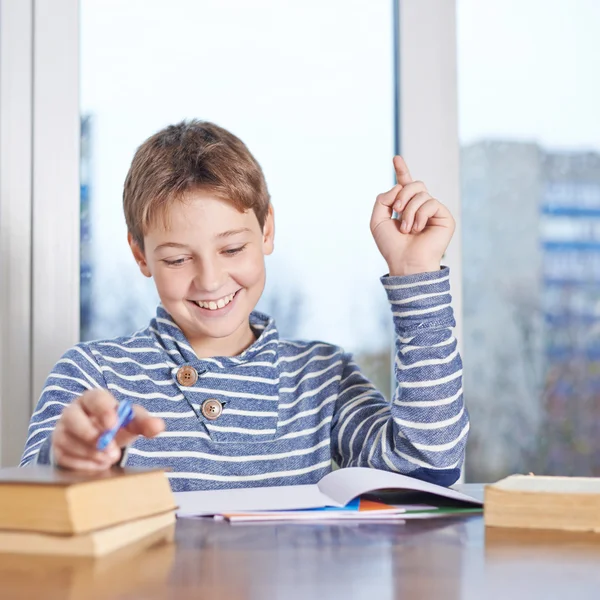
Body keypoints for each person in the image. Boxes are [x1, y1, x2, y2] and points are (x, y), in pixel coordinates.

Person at [20, 120, 469, 491]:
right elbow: (33, 493)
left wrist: (417, 277)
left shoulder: (322, 377)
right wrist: (69, 455)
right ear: (141, 255)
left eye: (232, 249)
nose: (211, 280)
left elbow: (428, 466)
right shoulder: (92, 373)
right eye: (177, 259)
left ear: (266, 229)